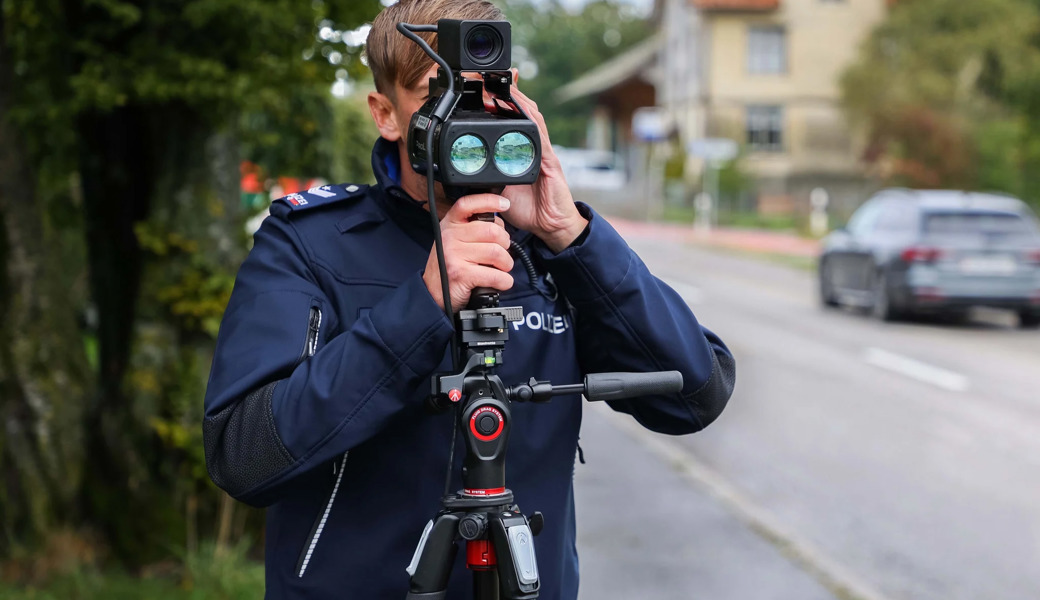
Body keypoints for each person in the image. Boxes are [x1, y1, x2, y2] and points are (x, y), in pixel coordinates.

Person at [202, 1, 735, 598]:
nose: (472, 114)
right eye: (441, 92)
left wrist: (571, 236)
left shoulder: (550, 250)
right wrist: (421, 308)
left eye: (492, 94)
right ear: (386, 113)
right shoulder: (311, 243)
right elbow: (244, 455)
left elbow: (696, 395)